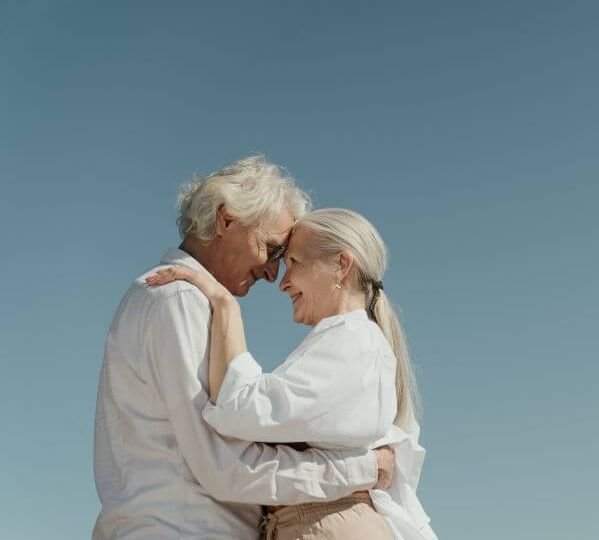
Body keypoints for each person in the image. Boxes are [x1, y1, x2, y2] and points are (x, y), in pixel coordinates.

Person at [92, 157, 395, 540]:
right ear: (226, 221)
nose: (273, 274)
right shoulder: (179, 300)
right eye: (271, 250)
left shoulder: (180, 300)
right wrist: (365, 470)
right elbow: (224, 466)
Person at [147, 208, 438, 540]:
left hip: (326, 525)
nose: (283, 283)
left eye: (294, 263)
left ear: (341, 265)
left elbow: (236, 408)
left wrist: (224, 303)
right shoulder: (349, 343)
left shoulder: (353, 342)